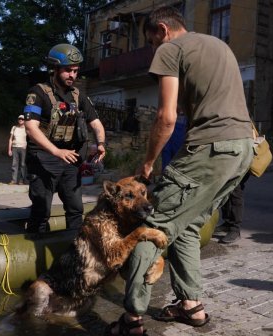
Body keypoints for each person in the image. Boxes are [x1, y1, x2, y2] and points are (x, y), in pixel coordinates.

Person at [106, 7, 254, 335]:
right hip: (243, 150)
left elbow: (166, 117)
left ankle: (131, 320)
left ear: (163, 30)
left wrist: (147, 162)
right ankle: (192, 307)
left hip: (212, 147)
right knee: (185, 226)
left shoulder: (172, 49)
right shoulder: (218, 45)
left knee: (154, 224)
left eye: (151, 41)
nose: (153, 49)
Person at [22, 43, 106, 236]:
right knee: (41, 210)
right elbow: (31, 128)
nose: (72, 75)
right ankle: (36, 249)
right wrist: (56, 151)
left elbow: (97, 124)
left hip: (70, 160)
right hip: (43, 158)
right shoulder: (38, 93)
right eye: (68, 70)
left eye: (75, 71)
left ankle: (75, 249)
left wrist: (100, 144)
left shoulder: (78, 96)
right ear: (55, 68)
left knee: (76, 209)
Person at [217, 174, 249, 244]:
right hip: (229, 164)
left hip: (241, 165)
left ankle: (235, 229)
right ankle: (228, 224)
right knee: (225, 189)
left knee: (235, 188)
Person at [8, 115, 27, 185]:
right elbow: (10, 139)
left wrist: (26, 146)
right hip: (15, 148)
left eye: (22, 119)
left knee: (22, 165)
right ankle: (13, 180)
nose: (20, 120)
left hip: (23, 148)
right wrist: (9, 149)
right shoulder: (14, 127)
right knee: (14, 164)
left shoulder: (27, 128)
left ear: (24, 120)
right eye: (19, 118)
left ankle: (21, 180)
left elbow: (30, 139)